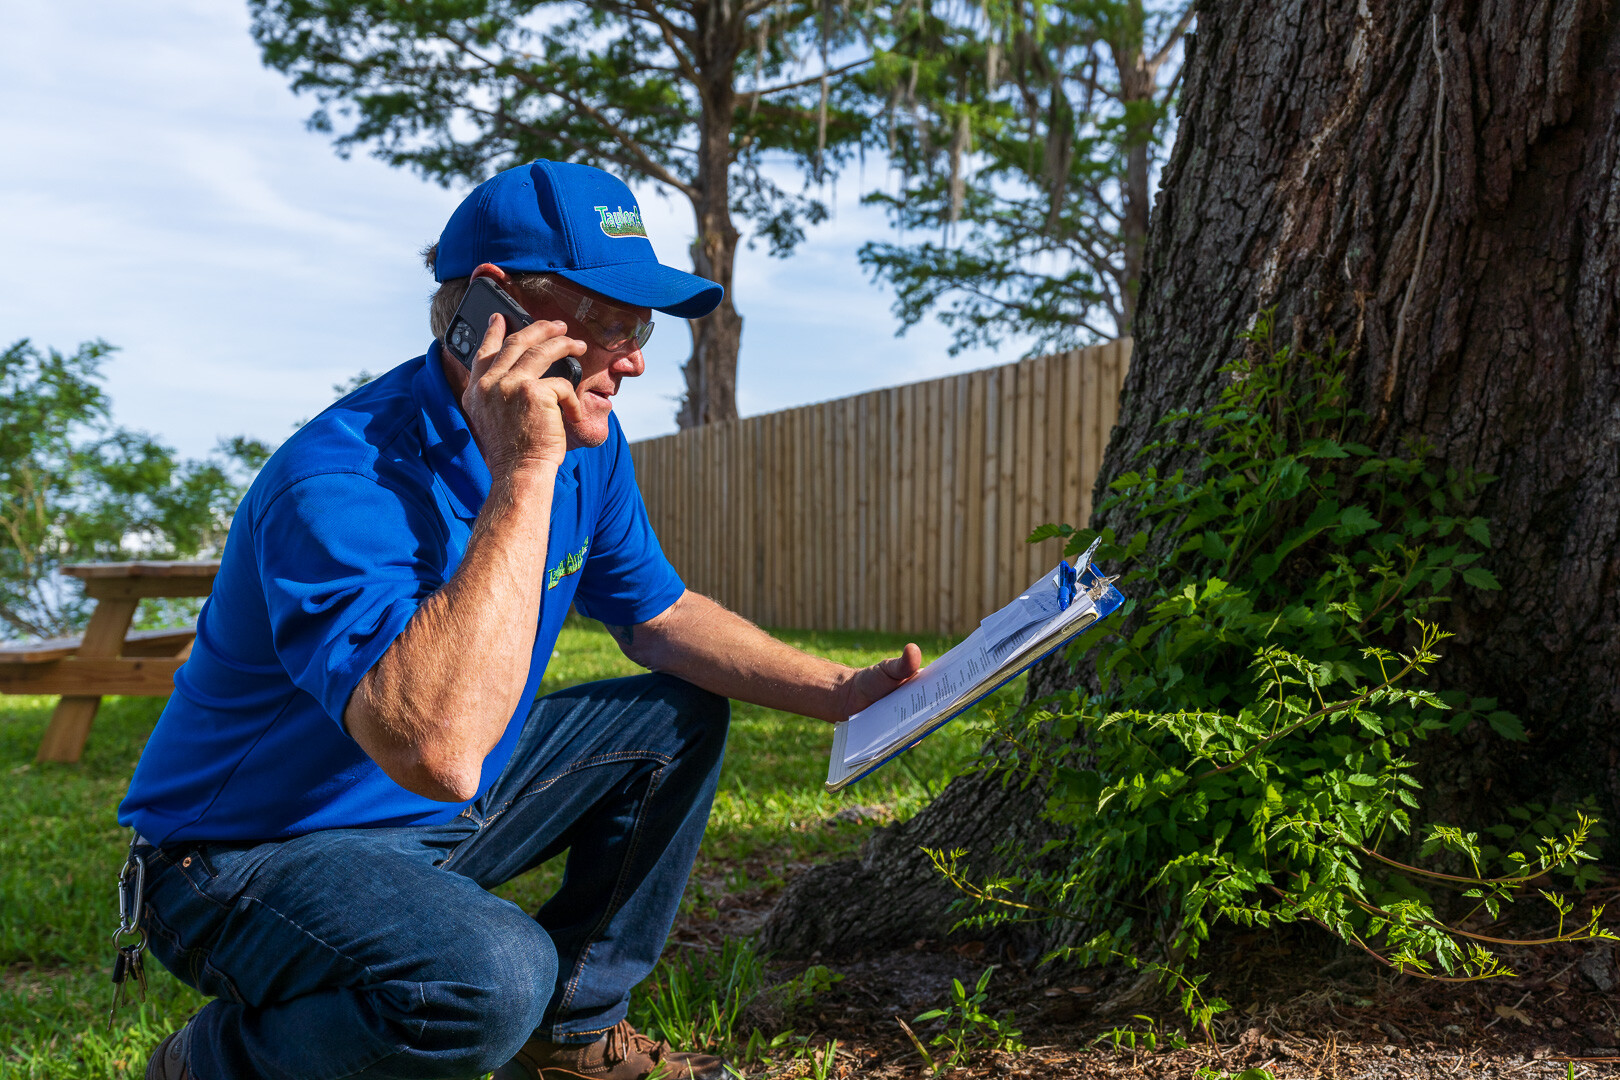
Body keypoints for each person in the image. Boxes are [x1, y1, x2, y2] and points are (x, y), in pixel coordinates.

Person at [120, 159, 922, 1080]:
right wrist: (523, 473)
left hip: (433, 818)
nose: (634, 358)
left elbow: (657, 614)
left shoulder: (586, 443)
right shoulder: (341, 483)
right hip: (242, 858)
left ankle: (573, 1038)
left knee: (673, 717)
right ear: (493, 312)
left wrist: (841, 693)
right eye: (611, 321)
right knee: (488, 975)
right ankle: (211, 1065)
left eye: (641, 324)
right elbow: (436, 749)